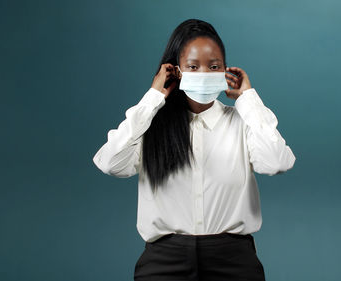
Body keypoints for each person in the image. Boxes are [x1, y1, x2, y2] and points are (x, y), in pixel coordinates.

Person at [92, 18, 296, 281]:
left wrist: (249, 99)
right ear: (176, 72)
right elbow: (110, 163)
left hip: (233, 261)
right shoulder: (151, 126)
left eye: (214, 66)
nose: (204, 74)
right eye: (193, 66)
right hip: (164, 263)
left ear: (225, 71)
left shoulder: (242, 123)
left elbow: (278, 162)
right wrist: (153, 98)